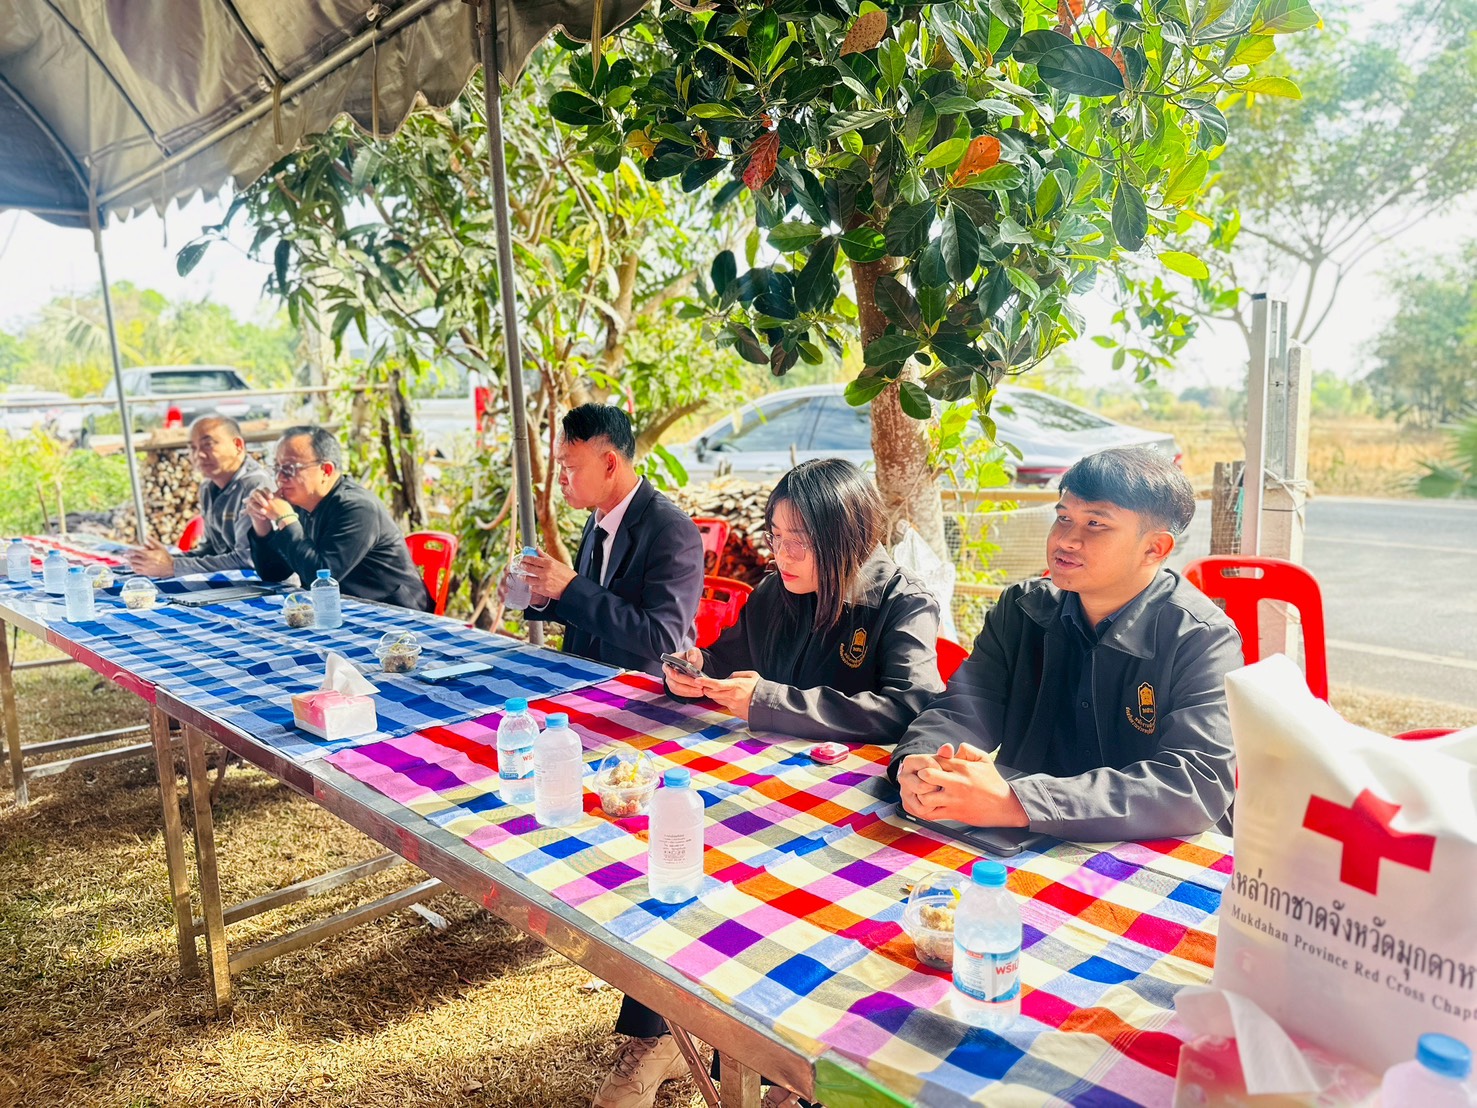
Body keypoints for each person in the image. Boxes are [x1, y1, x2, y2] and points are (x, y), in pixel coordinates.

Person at [594, 458, 944, 1108]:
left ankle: (782, 1065)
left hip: (851, 823)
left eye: (798, 540)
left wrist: (774, 700)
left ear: (846, 536)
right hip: (763, 796)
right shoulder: (773, 595)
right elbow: (726, 660)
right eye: (775, 536)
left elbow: (914, 706)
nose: (782, 553)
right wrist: (692, 670)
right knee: (676, 856)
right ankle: (660, 1032)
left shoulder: (900, 602)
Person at [893, 446, 1242, 844]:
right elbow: (963, 708)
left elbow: (1195, 782)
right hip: (1017, 840)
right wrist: (921, 763)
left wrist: (1018, 802)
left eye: (1095, 524)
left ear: (1154, 548)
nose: (1066, 540)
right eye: (1063, 518)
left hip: (1145, 852)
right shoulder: (1023, 609)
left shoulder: (1202, 638)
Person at [514, 403, 704, 676]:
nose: (561, 480)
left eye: (569, 467)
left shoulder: (672, 531)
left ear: (610, 464)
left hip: (640, 687)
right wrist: (544, 595)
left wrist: (570, 588)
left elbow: (662, 639)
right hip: (585, 675)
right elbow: (592, 611)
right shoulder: (597, 518)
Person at [245, 425, 432, 611]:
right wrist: (262, 524)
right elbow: (274, 573)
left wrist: (286, 519)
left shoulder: (358, 508)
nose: (279, 478)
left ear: (326, 470)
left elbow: (320, 579)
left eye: (289, 469)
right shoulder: (301, 503)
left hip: (396, 612)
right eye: (276, 468)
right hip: (344, 609)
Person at [126, 415, 271, 578]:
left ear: (238, 445)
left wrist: (173, 567)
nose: (198, 455)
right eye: (192, 448)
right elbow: (211, 550)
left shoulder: (256, 485)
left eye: (208, 445)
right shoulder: (208, 487)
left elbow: (247, 560)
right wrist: (164, 561)